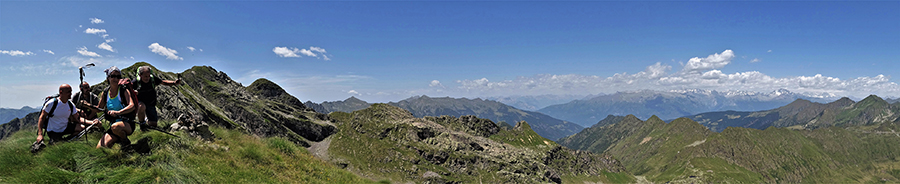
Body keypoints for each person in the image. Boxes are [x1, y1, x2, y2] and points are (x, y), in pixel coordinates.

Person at [36, 84, 101, 144]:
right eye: (68, 92)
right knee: (56, 145)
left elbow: (78, 118)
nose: (70, 94)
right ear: (61, 92)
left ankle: (67, 140)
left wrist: (92, 122)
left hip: (65, 127)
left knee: (82, 128)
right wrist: (40, 134)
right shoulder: (52, 103)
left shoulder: (70, 105)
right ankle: (61, 141)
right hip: (53, 131)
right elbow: (42, 117)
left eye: (71, 91)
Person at [96, 66, 137, 148]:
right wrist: (87, 106)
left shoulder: (123, 90)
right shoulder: (105, 92)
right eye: (113, 76)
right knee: (100, 147)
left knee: (115, 127)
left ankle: (125, 142)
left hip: (127, 123)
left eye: (118, 76)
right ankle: (118, 139)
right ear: (108, 78)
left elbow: (132, 106)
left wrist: (118, 113)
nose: (115, 78)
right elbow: (98, 109)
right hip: (113, 126)